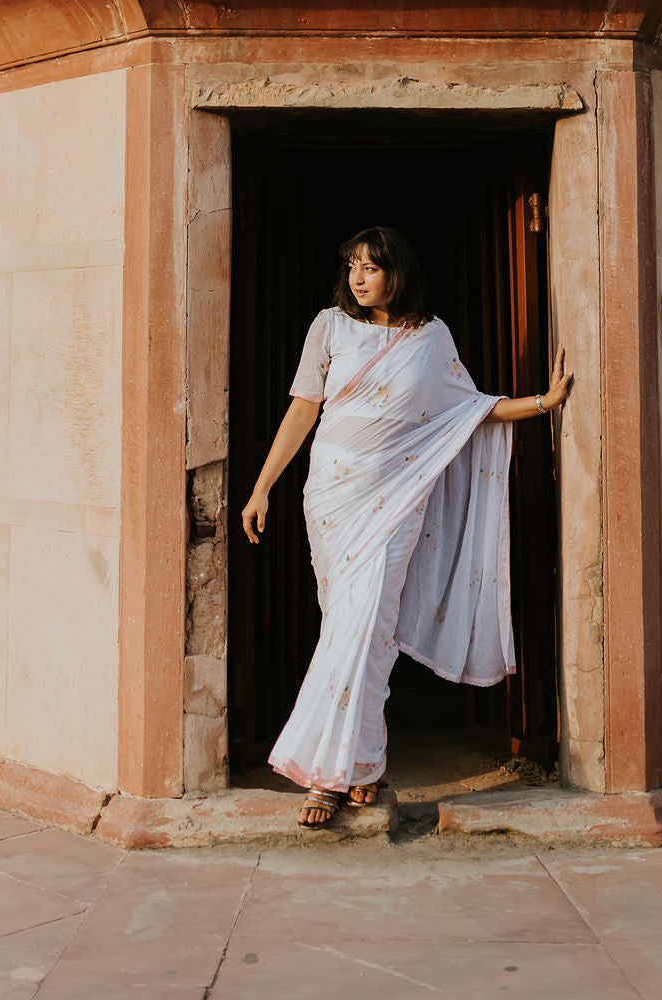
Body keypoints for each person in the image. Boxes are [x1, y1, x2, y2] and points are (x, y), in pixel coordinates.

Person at [240, 225, 572, 829]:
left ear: (398, 271)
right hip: (333, 498)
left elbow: (472, 409)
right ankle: (363, 767)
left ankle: (325, 776)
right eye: (351, 268)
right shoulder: (329, 327)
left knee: (367, 628)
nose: (357, 278)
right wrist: (263, 486)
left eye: (370, 267)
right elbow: (302, 409)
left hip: (395, 502)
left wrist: (542, 404)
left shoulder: (431, 337)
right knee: (351, 628)